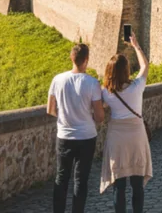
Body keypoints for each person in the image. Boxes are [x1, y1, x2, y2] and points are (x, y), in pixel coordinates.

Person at [48, 43, 104, 213]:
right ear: (86, 60)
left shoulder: (58, 79)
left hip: (64, 136)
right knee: (81, 180)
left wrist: (66, 118)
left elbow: (50, 109)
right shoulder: (92, 83)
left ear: (71, 58)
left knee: (61, 178)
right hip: (86, 137)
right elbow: (100, 116)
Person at [100, 34, 152, 213]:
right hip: (137, 136)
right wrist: (136, 45)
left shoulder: (106, 93)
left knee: (119, 185)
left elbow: (98, 107)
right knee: (137, 185)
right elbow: (145, 66)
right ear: (126, 71)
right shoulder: (137, 87)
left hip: (117, 139)